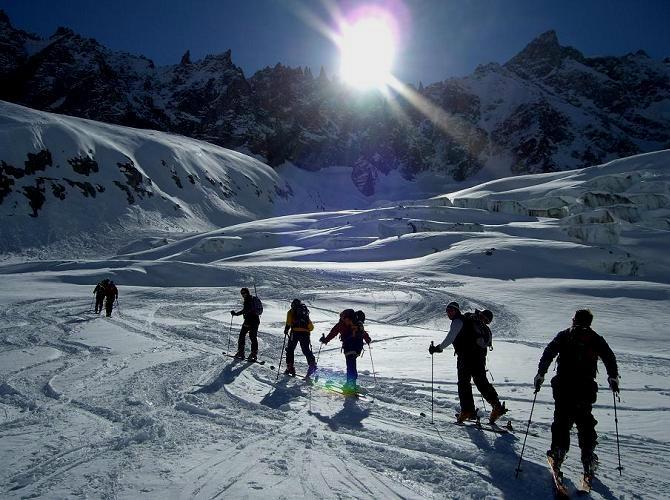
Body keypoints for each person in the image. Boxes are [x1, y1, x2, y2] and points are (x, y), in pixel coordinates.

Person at [534, 309, 619, 484]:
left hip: (563, 385)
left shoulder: (564, 335)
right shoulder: (595, 338)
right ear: (590, 322)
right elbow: (609, 357)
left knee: (562, 419)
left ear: (574, 320)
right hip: (585, 387)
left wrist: (541, 373)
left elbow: (548, 353)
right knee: (584, 420)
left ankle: (558, 452)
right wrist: (613, 377)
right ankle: (588, 457)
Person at [429, 302, 507, 424]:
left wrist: (438, 348)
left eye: (451, 310)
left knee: (463, 383)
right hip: (479, 357)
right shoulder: (473, 323)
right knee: (481, 382)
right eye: (447, 310)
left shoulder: (459, 320)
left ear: (457, 310)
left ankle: (467, 411)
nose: (449, 313)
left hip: (466, 357)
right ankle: (496, 406)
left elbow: (451, 337)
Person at [321, 309, 371, 394]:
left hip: (349, 345)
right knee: (352, 364)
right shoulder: (357, 322)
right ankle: (352, 383)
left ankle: (350, 385)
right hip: (358, 346)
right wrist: (367, 339)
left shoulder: (341, 323)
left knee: (350, 365)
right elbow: (363, 333)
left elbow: (333, 332)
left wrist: (325, 340)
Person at [283, 299, 316, 377]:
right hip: (305, 333)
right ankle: (312, 365)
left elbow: (288, 322)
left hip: (295, 332)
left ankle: (290, 367)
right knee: (306, 350)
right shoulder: (305, 312)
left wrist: (286, 329)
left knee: (290, 349)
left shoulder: (291, 311)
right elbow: (311, 327)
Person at [230, 287, 260, 361]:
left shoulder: (248, 300)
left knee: (242, 335)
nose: (243, 294)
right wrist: (237, 314)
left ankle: (241, 353)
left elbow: (245, 310)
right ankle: (253, 354)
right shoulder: (251, 299)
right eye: (242, 293)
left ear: (247, 292)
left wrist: (236, 314)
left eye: (244, 293)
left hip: (250, 321)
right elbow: (246, 310)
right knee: (253, 337)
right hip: (255, 321)